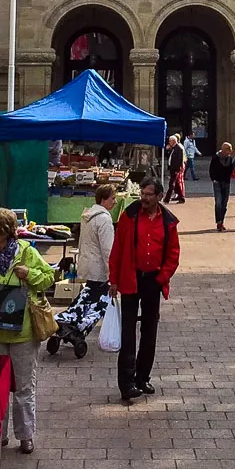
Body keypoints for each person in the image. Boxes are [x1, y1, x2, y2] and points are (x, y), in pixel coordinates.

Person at [0, 208, 54, 454]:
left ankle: (25, 435)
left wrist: (29, 274)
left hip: (23, 333)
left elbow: (49, 277)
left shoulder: (27, 253)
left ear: (5, 232)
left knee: (23, 387)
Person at [109, 179, 181, 403]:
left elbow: (173, 254)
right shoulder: (129, 216)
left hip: (153, 281)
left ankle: (142, 377)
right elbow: (117, 249)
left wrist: (162, 278)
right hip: (131, 278)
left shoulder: (168, 221)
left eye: (149, 194)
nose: (144, 198)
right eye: (142, 193)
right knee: (128, 332)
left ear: (159, 196)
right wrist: (113, 280)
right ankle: (126, 383)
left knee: (149, 332)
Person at [54, 185, 117, 355]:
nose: (115, 201)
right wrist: (112, 274)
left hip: (87, 264)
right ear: (104, 199)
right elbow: (107, 250)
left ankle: (68, 320)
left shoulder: (88, 216)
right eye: (113, 198)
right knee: (98, 302)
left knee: (87, 296)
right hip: (99, 268)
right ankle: (77, 326)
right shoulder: (104, 219)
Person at [210, 141, 235, 231]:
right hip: (217, 182)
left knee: (224, 204)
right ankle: (218, 222)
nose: (230, 151)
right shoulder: (215, 158)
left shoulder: (230, 159)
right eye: (229, 149)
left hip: (226, 182)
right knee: (218, 202)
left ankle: (222, 221)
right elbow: (211, 169)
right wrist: (213, 179)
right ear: (224, 150)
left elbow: (231, 170)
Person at [163, 133, 186, 203]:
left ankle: (167, 198)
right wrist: (167, 150)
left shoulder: (179, 148)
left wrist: (178, 169)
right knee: (176, 184)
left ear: (173, 141)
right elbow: (169, 156)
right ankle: (181, 197)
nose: (169, 142)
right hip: (172, 168)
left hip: (176, 169)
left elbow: (180, 160)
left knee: (171, 184)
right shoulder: (173, 148)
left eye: (170, 141)